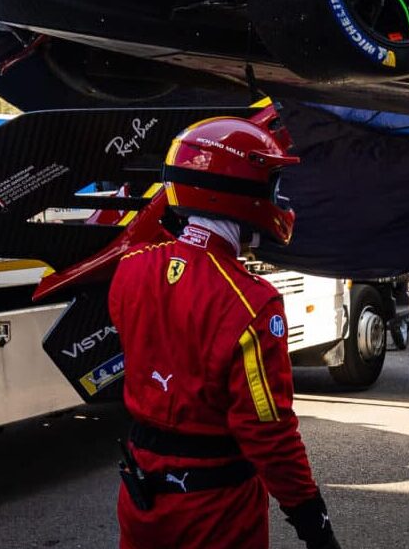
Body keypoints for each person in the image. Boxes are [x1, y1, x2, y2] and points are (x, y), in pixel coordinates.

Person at [108, 115, 340, 549]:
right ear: (238, 191)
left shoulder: (131, 268)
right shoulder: (253, 302)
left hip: (142, 503)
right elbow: (268, 430)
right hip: (216, 512)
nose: (278, 197)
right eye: (270, 184)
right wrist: (312, 519)